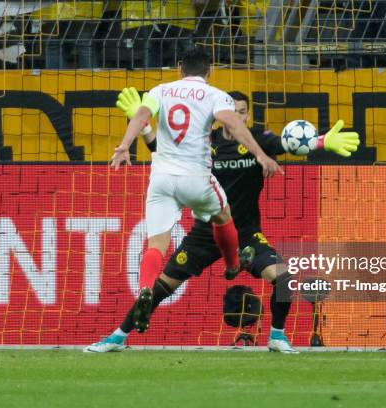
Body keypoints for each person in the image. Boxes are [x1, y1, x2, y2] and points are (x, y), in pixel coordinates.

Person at [84, 89, 360, 353]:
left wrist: (323, 141)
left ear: (248, 116)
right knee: (161, 287)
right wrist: (144, 128)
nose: (237, 117)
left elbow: (286, 144)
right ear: (221, 114)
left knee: (285, 278)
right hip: (204, 235)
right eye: (233, 112)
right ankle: (117, 336)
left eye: (242, 113)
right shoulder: (206, 142)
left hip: (245, 234)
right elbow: (161, 150)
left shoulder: (258, 141)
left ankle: (277, 336)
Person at [105, 48, 282, 339]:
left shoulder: (160, 90)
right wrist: (261, 155)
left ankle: (146, 288)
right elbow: (234, 124)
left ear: (179, 68)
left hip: (161, 178)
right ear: (208, 71)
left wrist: (124, 145)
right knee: (224, 214)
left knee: (156, 244)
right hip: (196, 178)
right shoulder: (216, 95)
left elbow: (140, 116)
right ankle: (232, 263)